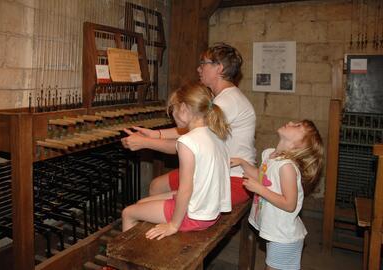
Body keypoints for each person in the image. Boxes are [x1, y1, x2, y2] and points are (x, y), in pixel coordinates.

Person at [121, 42, 256, 205]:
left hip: (231, 178)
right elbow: (194, 128)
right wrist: (157, 134)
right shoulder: (221, 98)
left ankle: (174, 225)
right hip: (216, 171)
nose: (199, 69)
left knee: (150, 201)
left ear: (219, 68)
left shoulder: (227, 102)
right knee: (157, 185)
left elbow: (191, 144)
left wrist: (145, 143)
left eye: (203, 64)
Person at [122, 82, 231, 239]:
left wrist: (173, 225)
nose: (172, 115)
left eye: (173, 109)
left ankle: (129, 259)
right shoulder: (216, 134)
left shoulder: (187, 141)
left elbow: (185, 189)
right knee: (141, 204)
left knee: (128, 213)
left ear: (184, 109)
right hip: (209, 210)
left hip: (194, 216)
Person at [230, 120, 324, 270]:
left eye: (298, 126)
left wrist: (259, 189)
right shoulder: (271, 155)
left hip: (284, 236)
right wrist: (242, 163)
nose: (292, 122)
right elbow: (260, 176)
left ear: (298, 145)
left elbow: (289, 204)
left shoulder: (286, 167)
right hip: (275, 231)